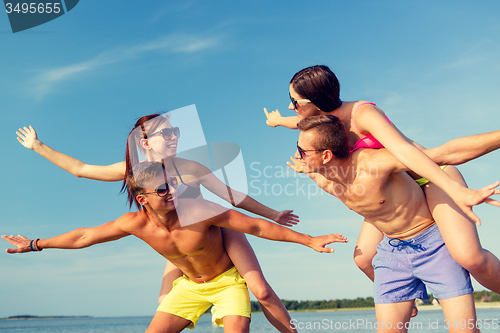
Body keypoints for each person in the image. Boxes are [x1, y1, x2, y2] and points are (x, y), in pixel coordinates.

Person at [16, 113, 298, 333]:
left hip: (215, 230)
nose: (173, 136)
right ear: (145, 142)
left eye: (174, 131)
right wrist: (37, 146)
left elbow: (230, 196)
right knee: (164, 303)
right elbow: (81, 170)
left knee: (260, 290)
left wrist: (272, 213)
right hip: (178, 240)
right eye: (166, 132)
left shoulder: (190, 167)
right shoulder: (133, 171)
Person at [2, 161, 347, 333]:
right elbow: (84, 237)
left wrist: (309, 240)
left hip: (227, 282)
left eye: (172, 185)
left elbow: (255, 226)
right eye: (162, 190)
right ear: (142, 199)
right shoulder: (135, 224)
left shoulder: (201, 212)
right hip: (188, 288)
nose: (171, 191)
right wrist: (35, 244)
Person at [264, 64, 500, 295]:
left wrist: (454, 189)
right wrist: (277, 122)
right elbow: (296, 122)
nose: (290, 106)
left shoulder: (362, 114)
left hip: (431, 176)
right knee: (364, 258)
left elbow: (409, 152)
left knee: (469, 256)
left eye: (294, 101)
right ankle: (403, 300)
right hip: (394, 190)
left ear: (314, 102)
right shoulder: (322, 122)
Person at [290, 115, 500, 333]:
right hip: (392, 254)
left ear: (326, 155)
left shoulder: (373, 163)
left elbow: (444, 154)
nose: (298, 154)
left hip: (434, 246)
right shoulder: (321, 177)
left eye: (302, 150)